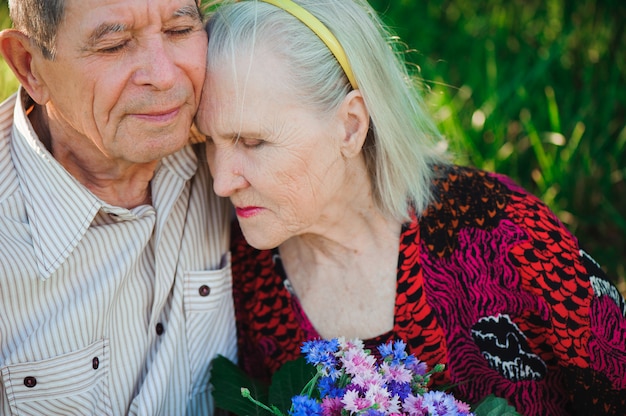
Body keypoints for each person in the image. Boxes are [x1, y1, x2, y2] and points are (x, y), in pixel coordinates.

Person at [195, 0, 626, 414]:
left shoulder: (507, 239)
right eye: (207, 143)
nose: (221, 180)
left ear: (350, 127)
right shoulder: (241, 275)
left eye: (253, 142)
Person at [0, 0, 236, 414]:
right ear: (29, 65)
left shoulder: (235, 151)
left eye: (180, 31)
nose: (164, 77)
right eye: (114, 46)